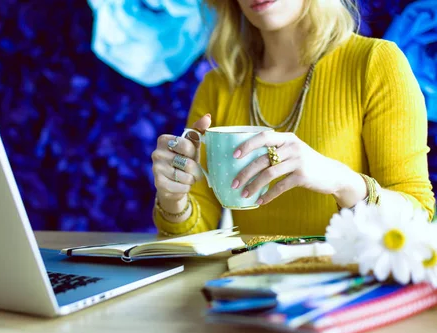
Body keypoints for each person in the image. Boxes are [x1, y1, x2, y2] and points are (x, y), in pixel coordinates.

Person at [151, 0, 435, 236]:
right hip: (252, 289)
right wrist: (174, 200)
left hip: (349, 293)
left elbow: (419, 218)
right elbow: (196, 236)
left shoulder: (374, 63)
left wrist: (341, 181)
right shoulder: (219, 85)